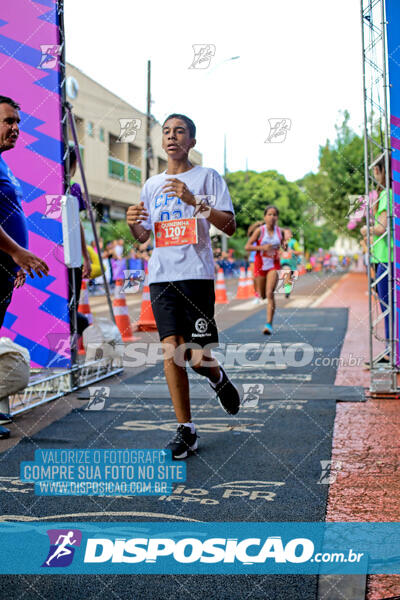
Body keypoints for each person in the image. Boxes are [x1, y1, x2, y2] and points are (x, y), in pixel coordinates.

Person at [127, 113, 240, 459]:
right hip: (161, 276)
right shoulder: (151, 184)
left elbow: (230, 225)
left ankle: (217, 376)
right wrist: (133, 225)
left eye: (180, 132)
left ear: (192, 141)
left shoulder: (207, 177)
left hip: (196, 275)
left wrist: (194, 202)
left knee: (193, 356)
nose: (172, 136)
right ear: (162, 141)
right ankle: (186, 429)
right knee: (170, 351)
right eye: (167, 132)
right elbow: (145, 236)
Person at [0, 95, 49, 439]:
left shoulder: (3, 165)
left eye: (18, 122)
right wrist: (17, 252)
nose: (16, 128)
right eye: (8, 121)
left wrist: (13, 260)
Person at [361, 155, 393, 366]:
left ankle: (391, 352)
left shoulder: (387, 195)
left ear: (383, 171)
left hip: (384, 258)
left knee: (387, 307)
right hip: (388, 257)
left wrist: (366, 229)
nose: (374, 175)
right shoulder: (391, 194)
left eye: (375, 171)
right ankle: (391, 351)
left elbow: (381, 228)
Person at [245, 205, 285, 334]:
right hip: (260, 265)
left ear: (277, 217)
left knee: (269, 293)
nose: (272, 217)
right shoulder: (260, 231)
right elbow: (248, 247)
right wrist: (262, 248)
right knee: (262, 294)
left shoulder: (280, 232)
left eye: (274, 215)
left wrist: (283, 248)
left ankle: (268, 324)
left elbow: (284, 246)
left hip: (274, 264)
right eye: (269, 214)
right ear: (265, 217)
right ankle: (261, 295)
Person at [68, 147, 91, 337]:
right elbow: (78, 224)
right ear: (74, 164)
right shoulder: (73, 188)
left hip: (44, 257)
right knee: (70, 306)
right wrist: (86, 257)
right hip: (70, 258)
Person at [280, 228, 301, 298]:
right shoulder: (280, 242)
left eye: (287, 234)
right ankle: (286, 290)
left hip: (292, 264)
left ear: (291, 235)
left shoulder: (293, 242)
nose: (285, 235)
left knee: (289, 279)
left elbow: (300, 251)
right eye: (284, 234)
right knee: (286, 270)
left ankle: (287, 290)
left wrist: (293, 251)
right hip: (283, 263)